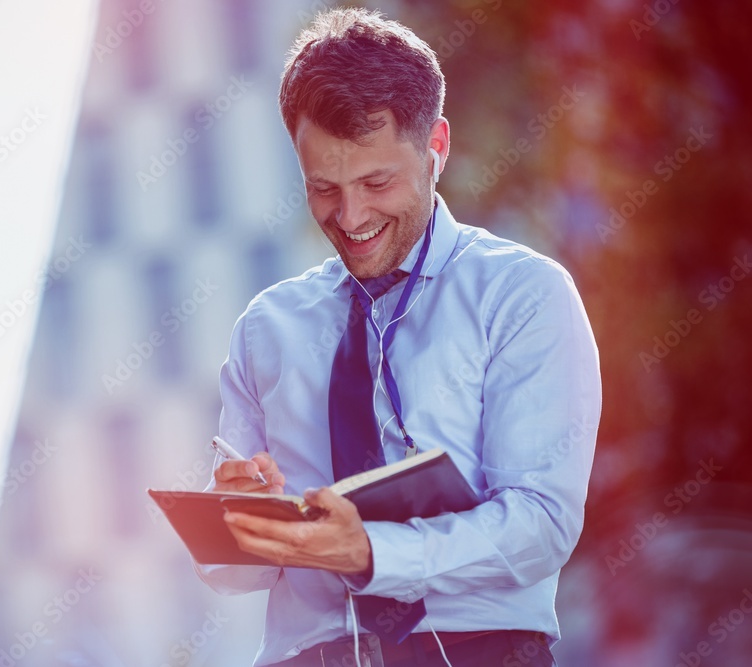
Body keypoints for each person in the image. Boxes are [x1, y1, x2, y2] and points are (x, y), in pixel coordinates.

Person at [196, 7, 601, 667]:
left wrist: (374, 553)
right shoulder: (267, 328)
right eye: (323, 188)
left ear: (436, 145)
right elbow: (233, 575)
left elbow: (541, 525)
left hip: (476, 651)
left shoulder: (522, 295)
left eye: (376, 182)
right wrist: (240, 518)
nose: (350, 217)